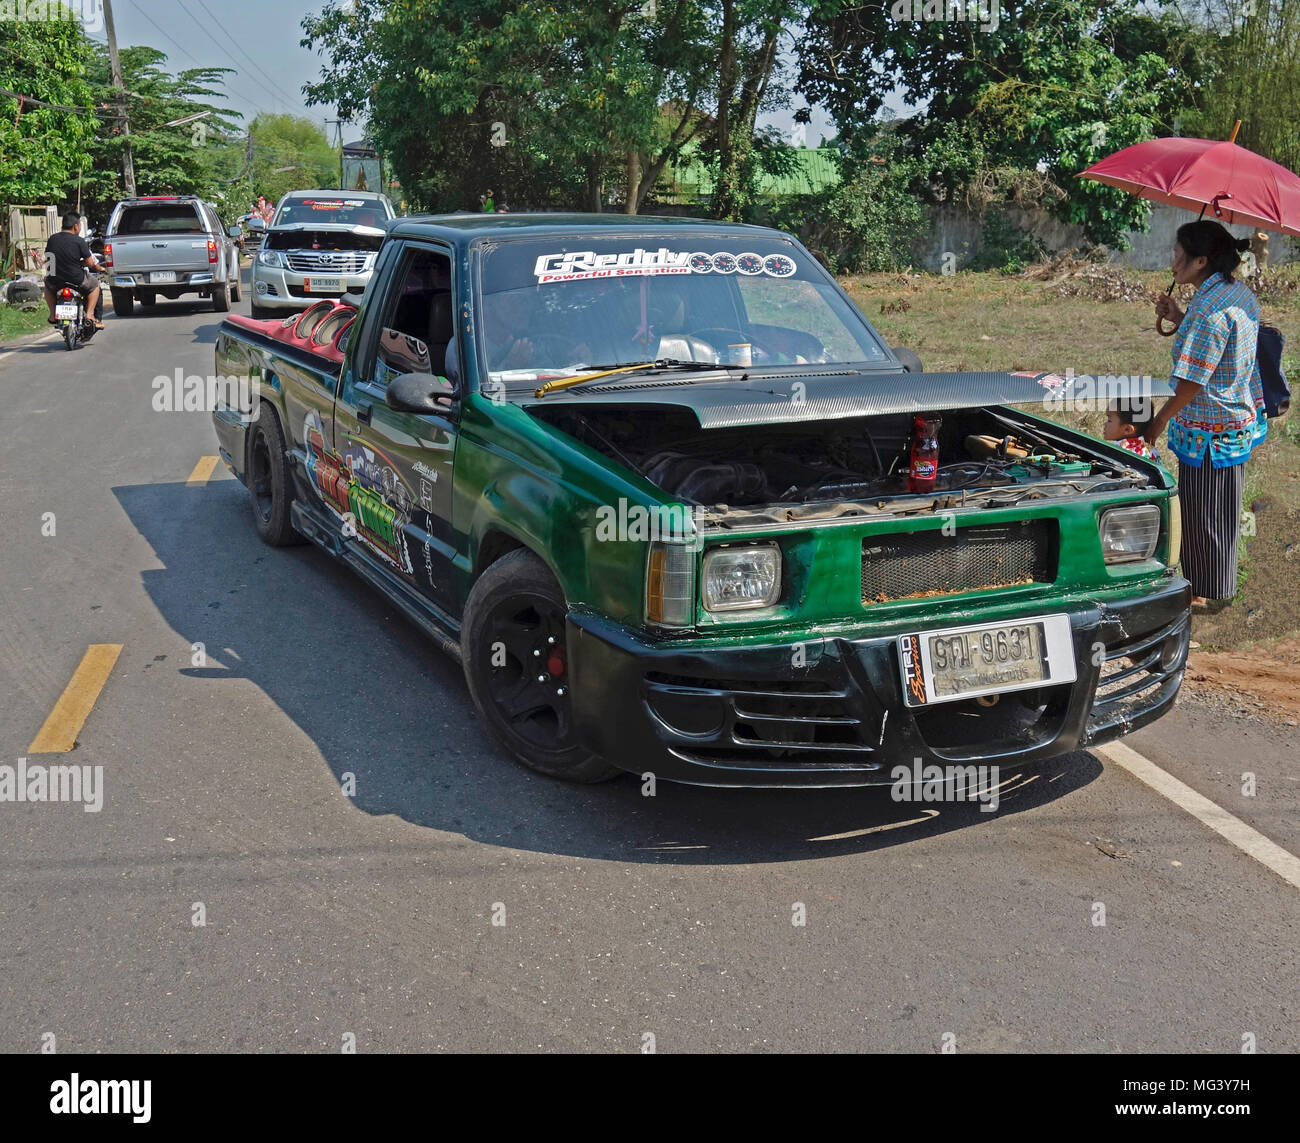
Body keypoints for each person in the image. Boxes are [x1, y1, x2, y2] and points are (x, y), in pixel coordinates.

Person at [1147, 220, 1260, 609]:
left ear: (1200, 260)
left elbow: (1193, 381)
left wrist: (1159, 420)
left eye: (1178, 255)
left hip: (1210, 428)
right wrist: (1180, 317)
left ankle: (1205, 592)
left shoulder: (1209, 309)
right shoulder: (1235, 292)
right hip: (1233, 423)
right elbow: (1221, 350)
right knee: (1220, 510)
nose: (1172, 261)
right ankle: (1216, 585)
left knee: (1202, 513)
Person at [44, 211, 105, 330]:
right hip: (76, 280)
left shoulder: (52, 239)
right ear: (76, 226)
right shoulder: (79, 241)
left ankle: (52, 315)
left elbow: (48, 259)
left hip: (55, 279)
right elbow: (90, 263)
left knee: (47, 287)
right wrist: (90, 265)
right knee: (95, 286)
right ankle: (90, 314)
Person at [1105, 395, 1160, 462]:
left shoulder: (1118, 451)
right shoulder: (1153, 451)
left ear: (1127, 429)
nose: (1105, 424)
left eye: (1109, 420)